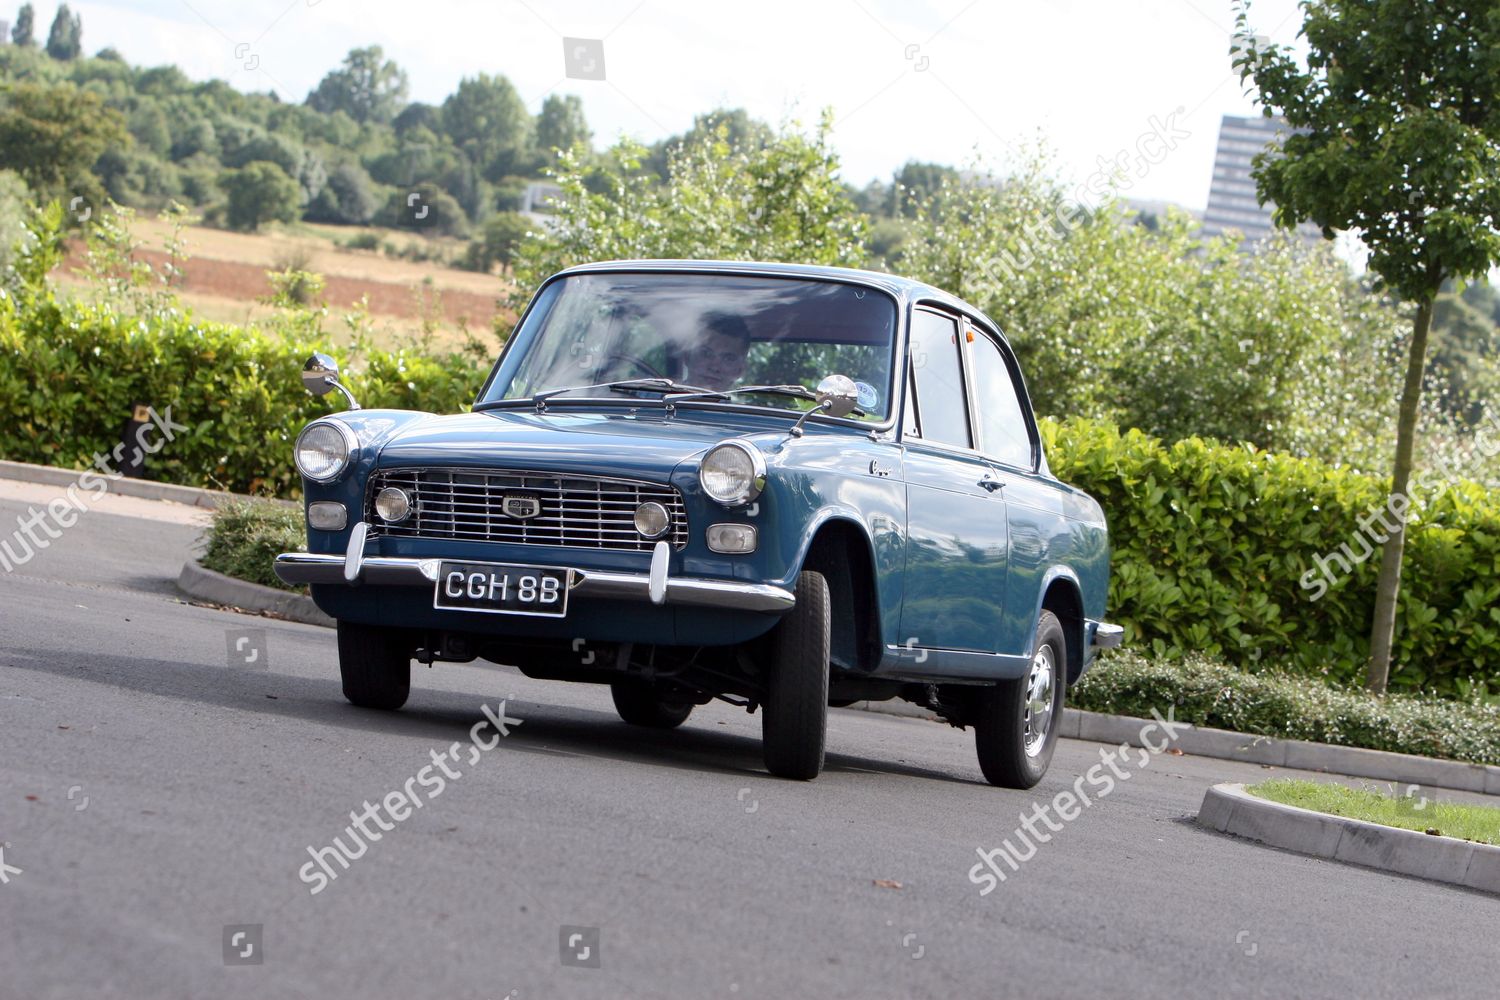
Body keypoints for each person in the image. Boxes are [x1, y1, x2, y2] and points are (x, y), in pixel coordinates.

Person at [682, 313, 751, 389]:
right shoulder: (667, 400)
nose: (714, 368)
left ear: (741, 370)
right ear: (687, 356)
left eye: (728, 359)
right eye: (706, 354)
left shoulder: (757, 402)